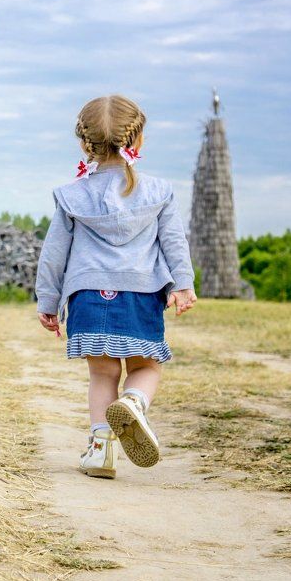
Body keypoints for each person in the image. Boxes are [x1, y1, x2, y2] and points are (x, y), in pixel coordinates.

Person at [35, 95, 197, 479]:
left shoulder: (72, 195)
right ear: (137, 140)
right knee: (145, 366)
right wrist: (182, 283)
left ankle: (101, 452)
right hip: (141, 295)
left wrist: (48, 300)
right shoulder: (158, 192)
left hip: (89, 296)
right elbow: (174, 242)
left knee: (102, 375)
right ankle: (135, 403)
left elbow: (53, 254)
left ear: (84, 144)